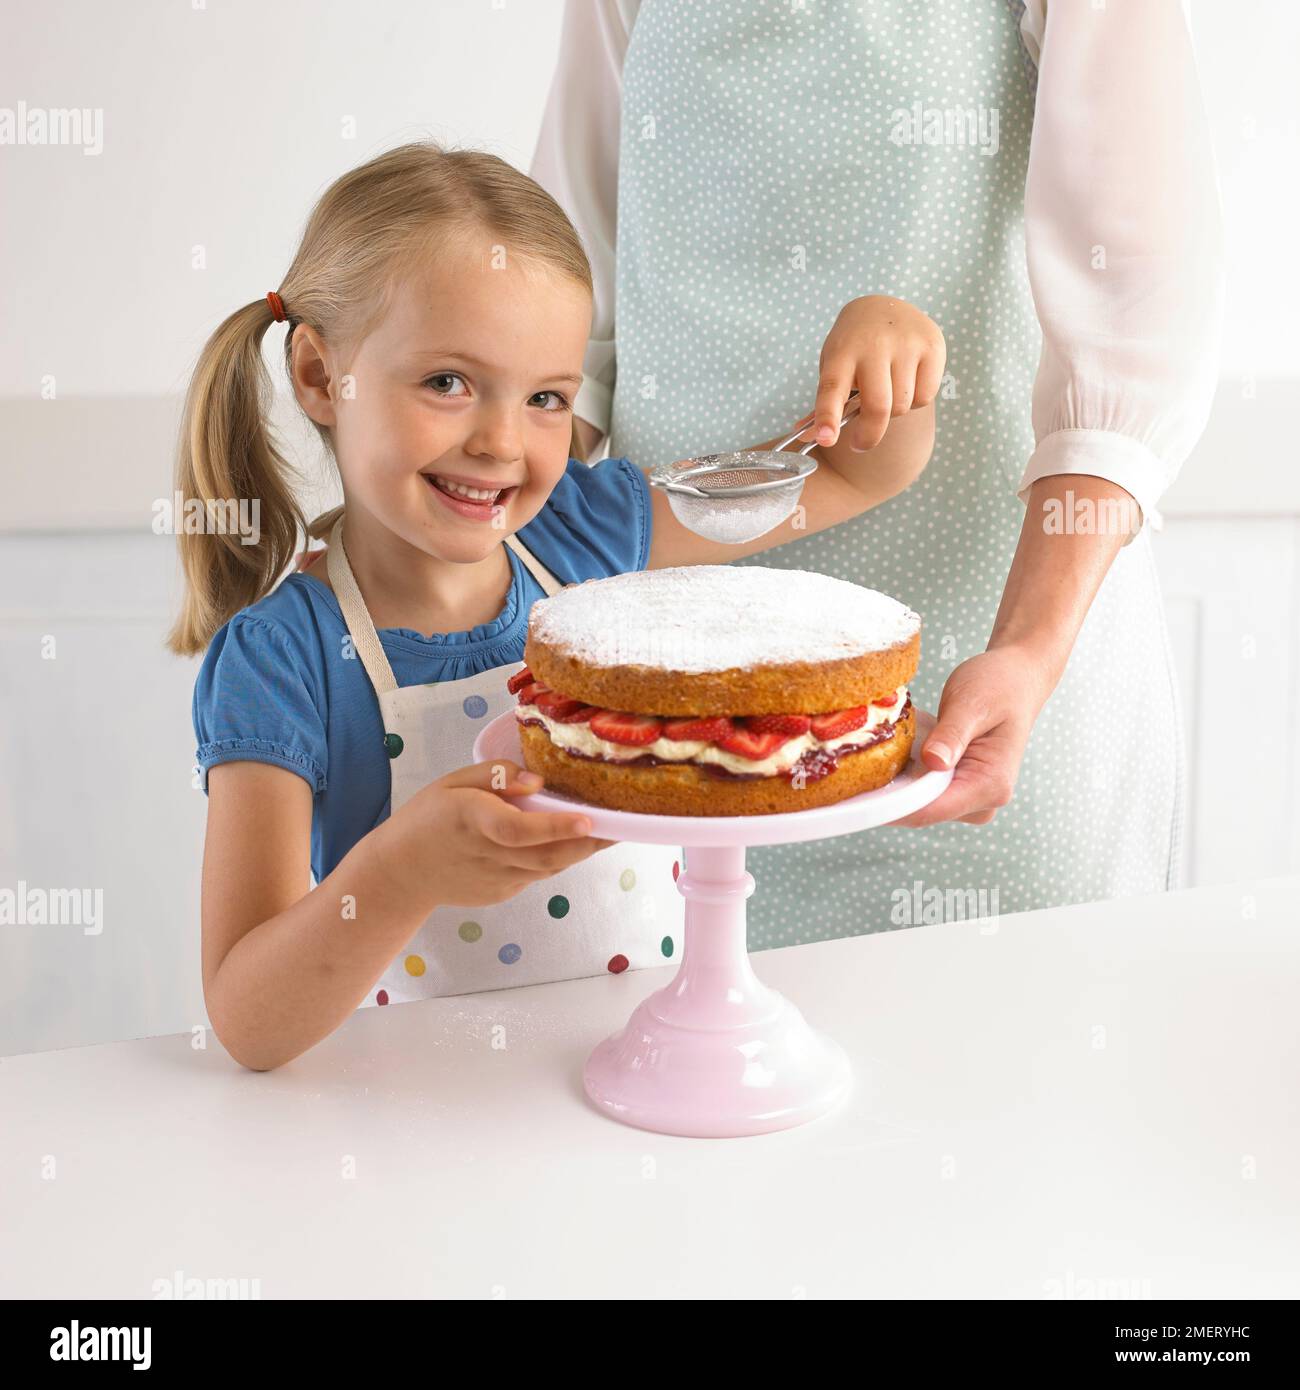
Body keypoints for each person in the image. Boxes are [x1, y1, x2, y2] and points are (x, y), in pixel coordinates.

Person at [173, 141, 943, 1070]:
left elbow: (858, 473)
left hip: (655, 1072)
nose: (502, 442)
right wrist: (401, 868)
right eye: (448, 383)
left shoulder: (588, 535)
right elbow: (251, 1023)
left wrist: (889, 336)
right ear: (315, 375)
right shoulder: (281, 656)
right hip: (421, 1120)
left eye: (545, 397)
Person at [530, 0, 1225, 945]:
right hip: (665, 711)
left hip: (984, 682)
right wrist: (507, 576)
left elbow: (1134, 316)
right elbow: (567, 292)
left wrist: (1025, 652)